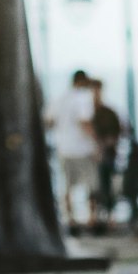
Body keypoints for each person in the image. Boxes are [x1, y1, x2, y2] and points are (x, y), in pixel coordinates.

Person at [44, 70, 97, 232]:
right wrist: (96, 143)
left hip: (63, 148)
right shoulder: (83, 97)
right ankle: (91, 220)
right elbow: (85, 123)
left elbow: (48, 121)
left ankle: (71, 220)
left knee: (67, 187)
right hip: (82, 149)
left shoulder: (59, 99)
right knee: (92, 186)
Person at [91, 80, 122, 229]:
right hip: (92, 155)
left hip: (107, 155)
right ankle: (95, 217)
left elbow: (118, 131)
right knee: (94, 187)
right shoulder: (87, 112)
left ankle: (108, 216)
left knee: (106, 185)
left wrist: (106, 144)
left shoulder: (108, 112)